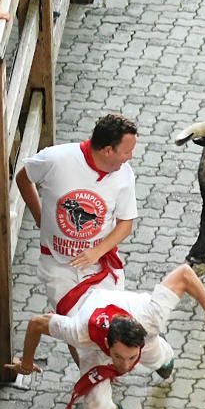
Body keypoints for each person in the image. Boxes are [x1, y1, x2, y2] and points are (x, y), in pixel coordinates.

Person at [6, 264, 205, 409]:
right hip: (94, 350)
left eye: (131, 358)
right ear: (108, 344)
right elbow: (36, 324)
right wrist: (26, 364)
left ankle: (163, 359)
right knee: (95, 405)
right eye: (119, 358)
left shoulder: (151, 316)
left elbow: (184, 274)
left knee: (159, 360)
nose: (124, 367)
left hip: (146, 340)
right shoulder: (79, 331)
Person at [16, 113, 138, 316]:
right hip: (58, 264)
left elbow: (125, 223)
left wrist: (96, 252)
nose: (130, 157)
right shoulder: (54, 159)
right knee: (76, 328)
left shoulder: (124, 175)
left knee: (106, 325)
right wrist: (39, 218)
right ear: (108, 151)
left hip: (100, 264)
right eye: (127, 151)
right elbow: (23, 178)